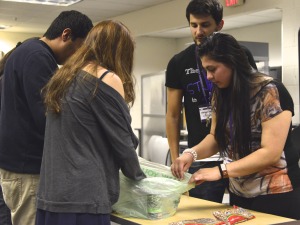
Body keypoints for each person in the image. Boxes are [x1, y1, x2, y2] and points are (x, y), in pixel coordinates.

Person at [171, 32, 300, 220]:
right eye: (205, 70)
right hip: (240, 192)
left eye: (213, 69)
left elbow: (270, 153)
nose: (208, 76)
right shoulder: (221, 93)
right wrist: (191, 154)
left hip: (276, 193)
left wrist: (220, 171)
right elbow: (216, 137)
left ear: (232, 62)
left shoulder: (271, 91)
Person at [35, 20, 146, 225]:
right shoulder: (106, 77)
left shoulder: (63, 76)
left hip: (51, 194)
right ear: (121, 51)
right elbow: (123, 143)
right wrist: (143, 182)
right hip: (84, 197)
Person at [0, 11, 93, 225]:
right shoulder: (38, 57)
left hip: (17, 165)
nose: (77, 56)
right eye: (79, 47)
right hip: (27, 169)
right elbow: (48, 116)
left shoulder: (27, 50)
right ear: (66, 34)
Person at [165, 0, 257, 203]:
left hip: (238, 154)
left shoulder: (240, 56)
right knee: (202, 214)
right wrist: (176, 157)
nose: (198, 31)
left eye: (205, 25)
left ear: (219, 25)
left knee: (241, 212)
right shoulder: (179, 62)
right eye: (193, 25)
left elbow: (253, 101)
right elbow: (172, 114)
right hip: (202, 155)